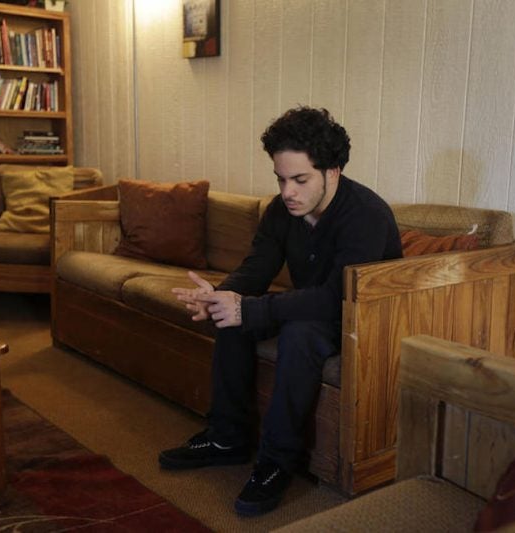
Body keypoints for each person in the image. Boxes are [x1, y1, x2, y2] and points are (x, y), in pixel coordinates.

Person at [159, 106, 402, 516]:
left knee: (298, 334)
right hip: (313, 305)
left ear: (333, 171)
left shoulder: (366, 215)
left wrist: (248, 309)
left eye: (300, 179)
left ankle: (276, 462)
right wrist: (220, 296)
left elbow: (335, 298)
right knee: (231, 318)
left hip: (360, 319)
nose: (288, 191)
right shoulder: (280, 210)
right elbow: (256, 270)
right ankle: (227, 437)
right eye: (281, 178)